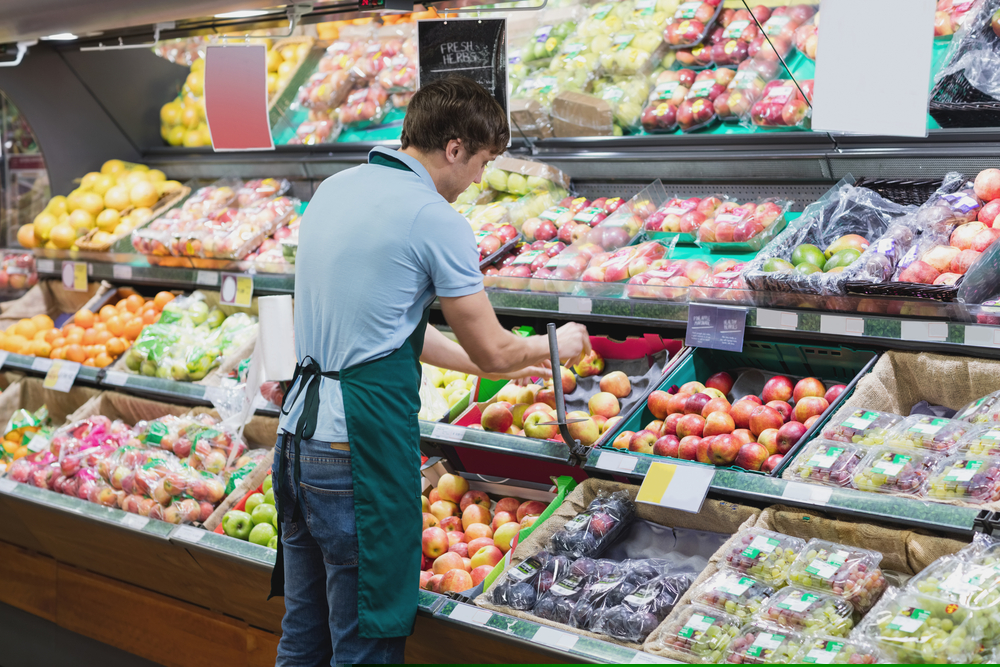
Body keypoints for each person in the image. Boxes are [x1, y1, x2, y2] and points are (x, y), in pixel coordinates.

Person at [271, 75, 591, 666]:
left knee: (304, 635)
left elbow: (387, 329)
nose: (479, 181)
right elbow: (494, 351)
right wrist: (554, 346)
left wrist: (493, 366)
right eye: (482, 163)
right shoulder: (432, 217)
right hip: (356, 452)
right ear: (454, 147)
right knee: (363, 643)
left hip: (297, 442)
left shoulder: (336, 190)